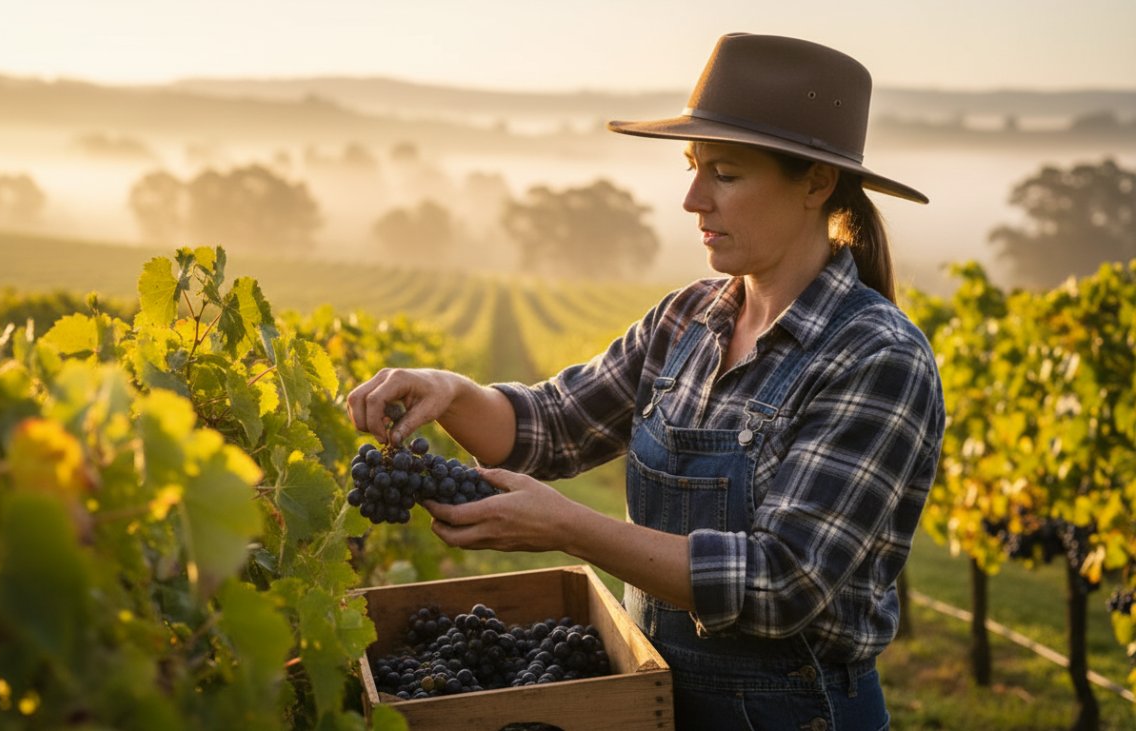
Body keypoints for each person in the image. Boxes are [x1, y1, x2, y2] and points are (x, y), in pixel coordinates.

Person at [348, 32, 945, 731]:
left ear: (815, 183)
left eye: (725, 174)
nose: (693, 199)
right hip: (653, 696)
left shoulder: (877, 357)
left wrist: (569, 527)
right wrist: (451, 390)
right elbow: (553, 425)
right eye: (693, 168)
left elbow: (781, 582)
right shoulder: (687, 317)